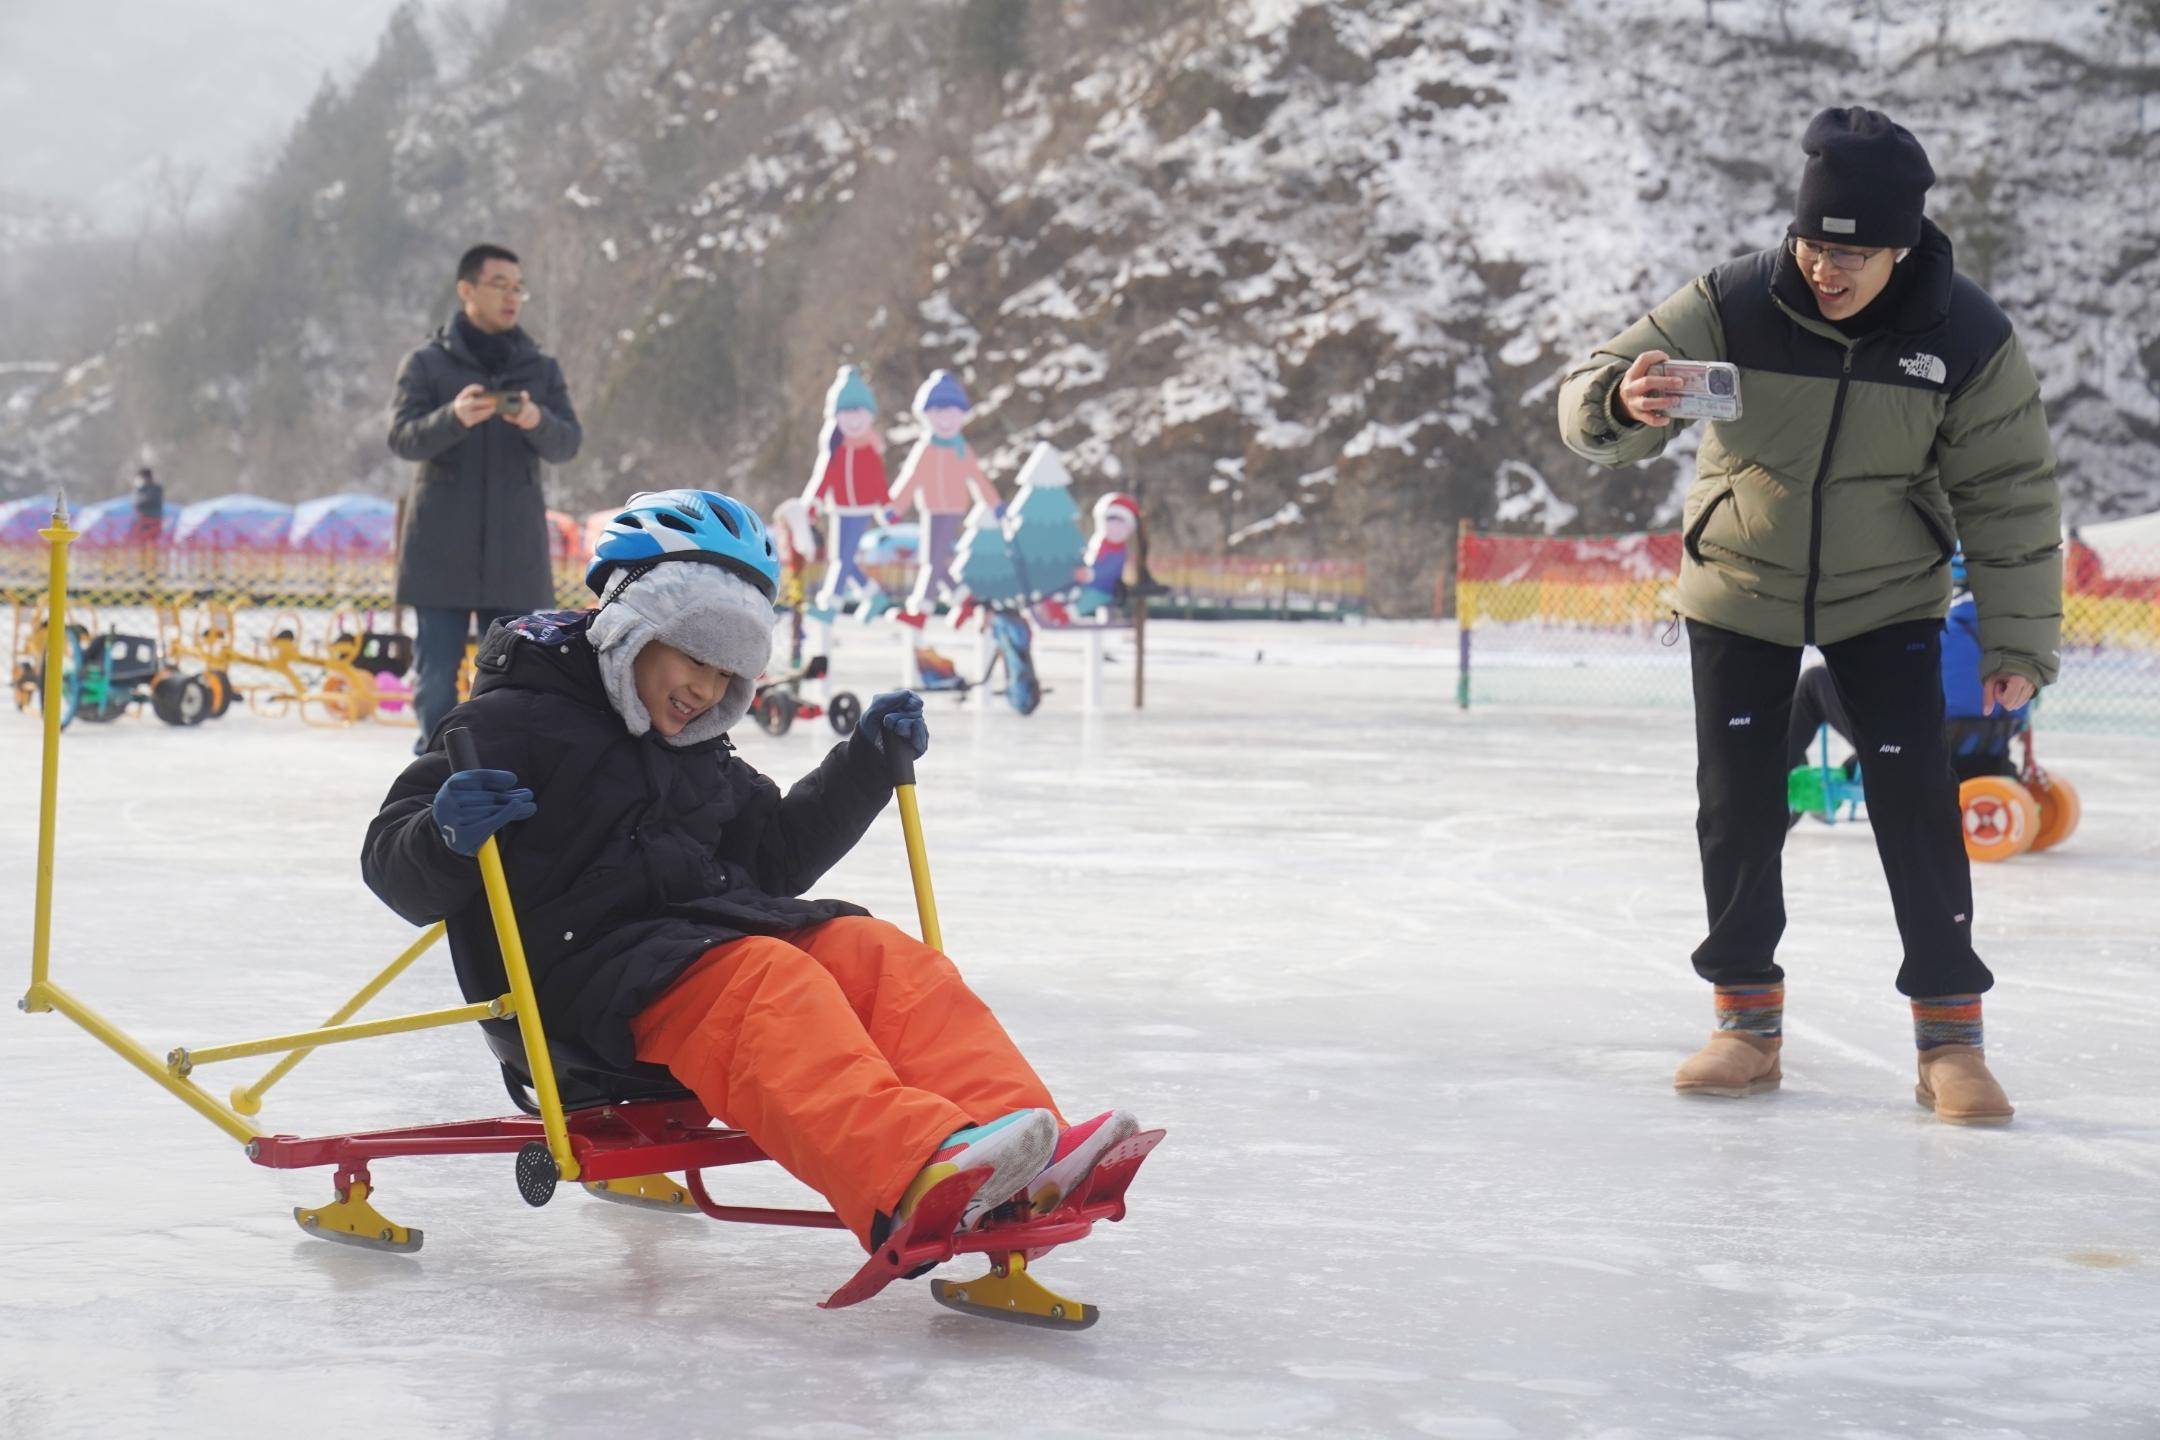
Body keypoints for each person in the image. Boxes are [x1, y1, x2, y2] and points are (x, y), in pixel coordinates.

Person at [361, 488, 1139, 1249]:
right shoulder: (506, 725)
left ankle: (1029, 1147)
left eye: (731, 671)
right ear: (632, 626)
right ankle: (911, 1171)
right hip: (576, 990)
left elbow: (772, 857)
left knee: (875, 955)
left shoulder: (696, 748)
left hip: (696, 950)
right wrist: (443, 833)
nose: (706, 689)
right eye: (695, 656)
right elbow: (390, 864)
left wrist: (865, 765)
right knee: (767, 979)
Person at [1558, 107, 2061, 1124]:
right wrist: (1624, 401)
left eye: (1854, 254)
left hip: (1889, 595)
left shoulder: (1963, 335)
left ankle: (1950, 1042)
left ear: (1901, 248)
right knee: (1738, 804)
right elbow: (1587, 391)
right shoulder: (1735, 301)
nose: (1826, 271)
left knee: (1918, 805)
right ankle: (1745, 1025)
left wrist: (2016, 644)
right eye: (1812, 246)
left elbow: (2010, 495)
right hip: (1740, 582)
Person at [388, 243, 582, 752]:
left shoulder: (539, 368)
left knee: (522, 679)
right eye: (500, 285)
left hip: (515, 555)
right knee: (435, 684)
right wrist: (452, 417)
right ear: (467, 289)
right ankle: (433, 782)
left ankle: (511, 778)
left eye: (518, 287)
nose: (512, 297)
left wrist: (537, 420)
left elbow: (568, 443)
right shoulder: (427, 365)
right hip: (440, 554)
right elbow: (403, 438)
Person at [1786, 550, 2030, 790]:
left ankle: (1773, 773)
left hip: (1920, 753)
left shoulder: (1935, 629)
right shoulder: (2014, 638)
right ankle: (1854, 765)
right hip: (1989, 754)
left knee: (1814, 681)